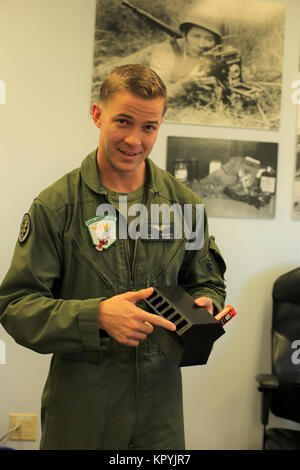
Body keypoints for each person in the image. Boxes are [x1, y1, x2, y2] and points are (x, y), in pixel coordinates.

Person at [0, 64, 226, 450]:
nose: (134, 140)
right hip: (83, 411)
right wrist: (97, 316)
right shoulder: (57, 207)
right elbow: (16, 306)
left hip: (161, 412)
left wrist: (206, 304)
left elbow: (204, 280)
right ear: (97, 114)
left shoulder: (184, 205)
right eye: (123, 121)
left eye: (149, 127)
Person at [149, 7, 225, 102]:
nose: (201, 44)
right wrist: (186, 84)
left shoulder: (213, 55)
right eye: (196, 36)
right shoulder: (164, 52)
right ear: (185, 35)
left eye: (209, 39)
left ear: (216, 43)